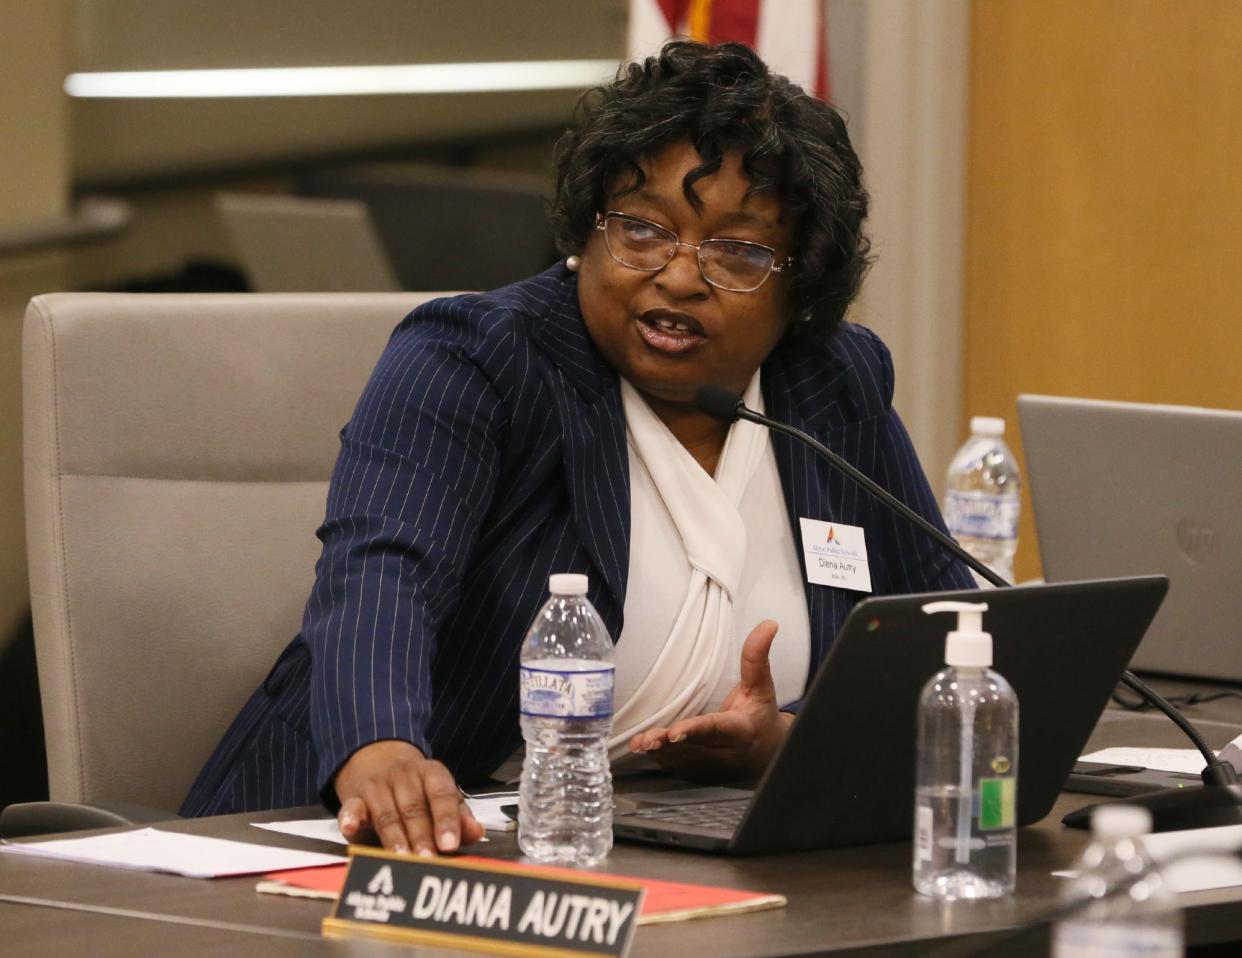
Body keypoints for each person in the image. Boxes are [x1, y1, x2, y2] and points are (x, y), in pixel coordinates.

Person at [182, 41, 974, 854]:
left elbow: (944, 629)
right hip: (395, 833)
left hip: (683, 842)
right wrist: (380, 747)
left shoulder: (829, 381)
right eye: (642, 229)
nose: (677, 276)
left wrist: (783, 742)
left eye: (736, 251)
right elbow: (382, 571)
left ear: (800, 284)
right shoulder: (479, 357)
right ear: (587, 231)